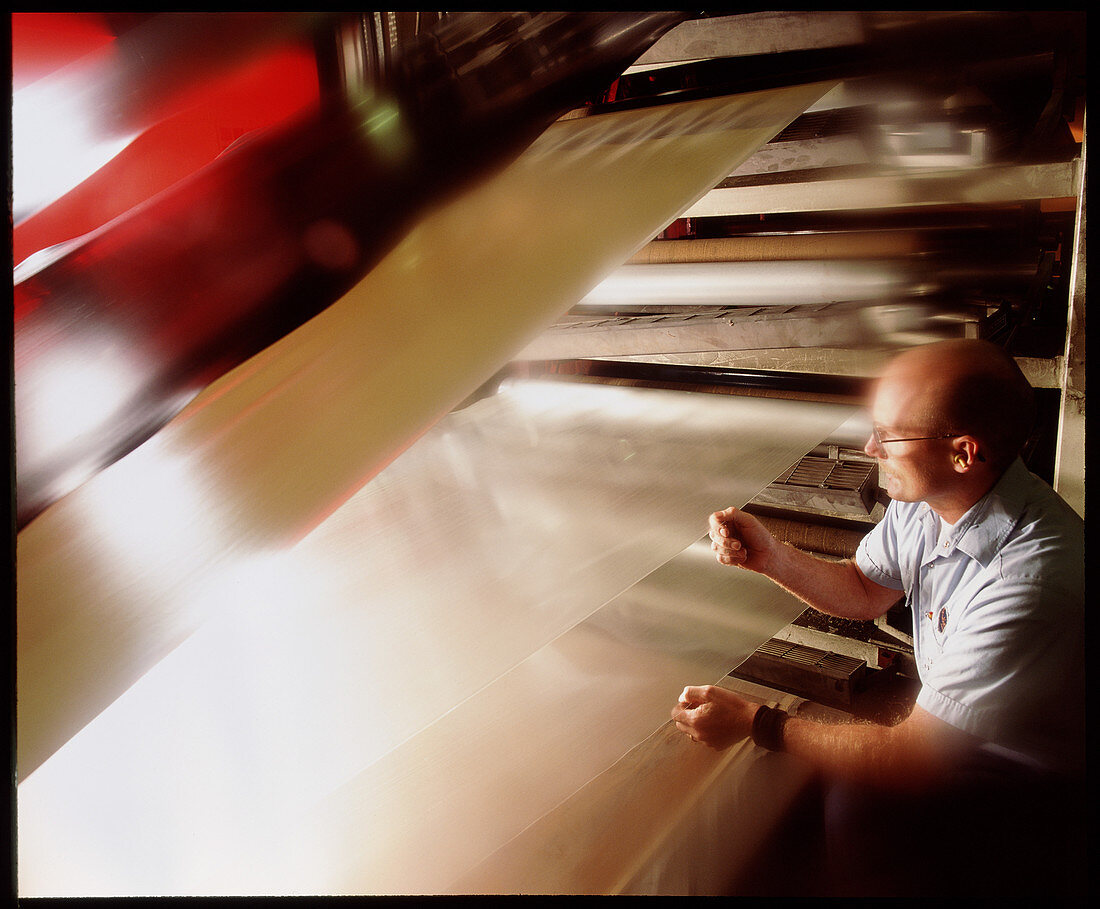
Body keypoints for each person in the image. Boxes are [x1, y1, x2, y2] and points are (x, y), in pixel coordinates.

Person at [670, 338, 1085, 897]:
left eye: (889, 436)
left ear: (963, 452)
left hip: (1037, 779)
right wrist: (771, 554)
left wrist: (756, 723)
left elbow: (916, 757)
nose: (869, 448)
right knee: (845, 797)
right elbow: (865, 590)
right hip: (975, 742)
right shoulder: (929, 499)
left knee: (862, 805)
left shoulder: (1028, 581)